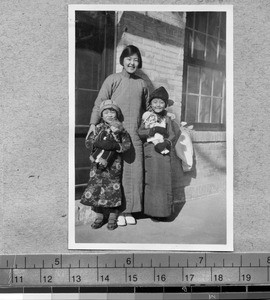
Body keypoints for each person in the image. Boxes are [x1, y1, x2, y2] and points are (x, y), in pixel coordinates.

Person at [86, 45, 148, 226]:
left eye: (136, 59)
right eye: (129, 59)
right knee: (113, 173)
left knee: (134, 172)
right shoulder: (112, 79)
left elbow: (146, 108)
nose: (132, 62)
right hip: (113, 134)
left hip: (134, 135)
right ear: (122, 60)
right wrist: (92, 124)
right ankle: (115, 211)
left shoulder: (142, 83)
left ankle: (129, 211)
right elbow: (99, 104)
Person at [80, 100, 131, 230]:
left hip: (114, 165)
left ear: (117, 114)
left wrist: (115, 145)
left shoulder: (121, 129)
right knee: (96, 188)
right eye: (106, 112)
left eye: (112, 111)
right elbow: (88, 142)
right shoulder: (97, 128)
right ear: (102, 115)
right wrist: (97, 144)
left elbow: (127, 145)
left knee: (112, 189)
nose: (109, 115)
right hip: (97, 165)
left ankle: (113, 217)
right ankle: (99, 217)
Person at [138, 86, 181, 219]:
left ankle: (164, 212)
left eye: (161, 102)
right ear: (150, 104)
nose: (158, 105)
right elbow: (140, 132)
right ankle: (152, 211)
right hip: (151, 152)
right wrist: (151, 130)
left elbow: (173, 134)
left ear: (165, 104)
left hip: (164, 152)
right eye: (155, 102)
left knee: (164, 180)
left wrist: (167, 142)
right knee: (152, 181)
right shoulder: (147, 117)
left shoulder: (167, 119)